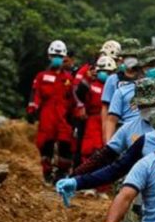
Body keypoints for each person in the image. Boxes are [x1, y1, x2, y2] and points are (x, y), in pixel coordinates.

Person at [27, 39, 75, 183]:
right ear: (49, 56)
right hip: (47, 115)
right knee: (45, 144)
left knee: (66, 146)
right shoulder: (41, 77)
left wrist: (75, 118)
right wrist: (32, 109)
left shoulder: (68, 79)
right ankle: (47, 173)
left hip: (63, 116)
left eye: (60, 57)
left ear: (64, 58)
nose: (57, 59)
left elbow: (73, 99)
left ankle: (61, 174)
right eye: (55, 56)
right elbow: (35, 94)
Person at [73, 55, 117, 166]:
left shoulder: (115, 89)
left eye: (108, 72)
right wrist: (86, 79)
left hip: (109, 121)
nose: (105, 74)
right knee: (90, 149)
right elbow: (79, 94)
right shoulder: (90, 85)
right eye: (102, 71)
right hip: (92, 121)